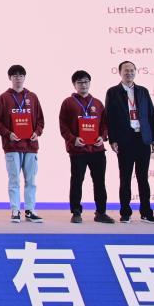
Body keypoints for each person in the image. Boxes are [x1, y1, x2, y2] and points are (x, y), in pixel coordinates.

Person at [106, 61, 154, 224]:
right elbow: (110, 117)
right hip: (125, 140)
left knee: (143, 178)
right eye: (126, 70)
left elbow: (151, 115)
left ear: (135, 72)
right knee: (125, 178)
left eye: (131, 70)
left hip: (142, 139)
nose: (129, 73)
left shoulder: (143, 91)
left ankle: (146, 213)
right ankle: (125, 212)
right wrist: (113, 139)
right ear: (119, 72)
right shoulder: (113, 92)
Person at [58, 70, 114, 224]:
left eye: (86, 82)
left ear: (90, 83)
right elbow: (63, 126)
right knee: (77, 181)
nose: (83, 85)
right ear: (74, 85)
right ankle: (76, 212)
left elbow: (105, 124)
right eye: (80, 82)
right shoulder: (68, 103)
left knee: (100, 181)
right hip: (78, 150)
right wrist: (73, 139)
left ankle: (101, 212)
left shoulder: (97, 103)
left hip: (97, 150)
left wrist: (102, 137)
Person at [0, 64, 45, 223]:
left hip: (30, 146)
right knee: (14, 179)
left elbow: (40, 120)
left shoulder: (32, 97)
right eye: (15, 76)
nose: (18, 78)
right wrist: (8, 134)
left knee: (31, 180)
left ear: (24, 77)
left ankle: (30, 210)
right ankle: (15, 210)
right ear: (10, 78)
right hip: (12, 146)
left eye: (21, 75)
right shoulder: (4, 98)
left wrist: (37, 132)